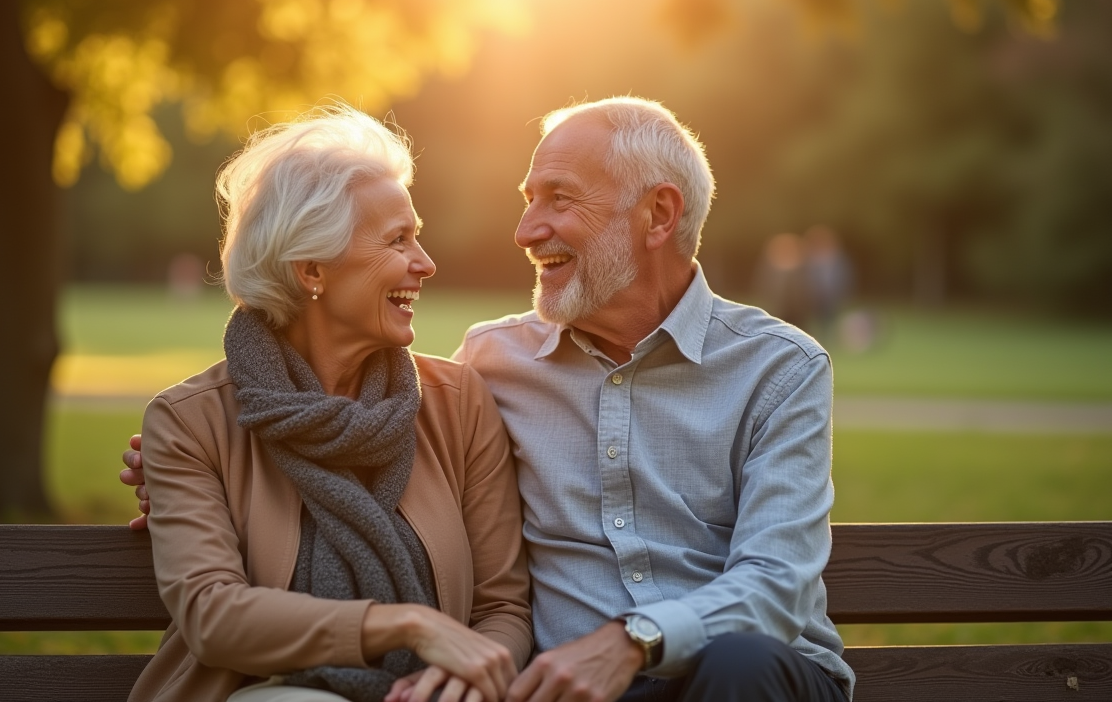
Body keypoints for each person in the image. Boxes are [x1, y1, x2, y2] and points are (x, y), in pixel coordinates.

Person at [126, 97, 854, 702]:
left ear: (658, 216)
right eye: (528, 200)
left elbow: (774, 580)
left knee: (738, 665)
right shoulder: (491, 364)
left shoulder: (778, 369)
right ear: (310, 266)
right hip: (562, 691)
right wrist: (187, 474)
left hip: (743, 680)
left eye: (558, 200)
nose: (524, 230)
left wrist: (631, 643)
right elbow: (225, 567)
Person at [123, 104, 532, 702]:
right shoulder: (191, 422)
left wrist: (462, 675)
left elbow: (503, 606)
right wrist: (406, 625)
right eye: (398, 240)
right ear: (312, 268)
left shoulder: (458, 404)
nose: (426, 263)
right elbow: (213, 616)